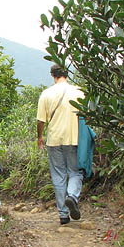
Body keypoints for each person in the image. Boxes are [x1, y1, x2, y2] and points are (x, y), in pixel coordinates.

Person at [36, 64, 84, 225]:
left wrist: (40, 137)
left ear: (53, 75)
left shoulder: (46, 94)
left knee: (58, 176)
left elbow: (40, 120)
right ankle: (72, 197)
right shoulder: (79, 92)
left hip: (54, 139)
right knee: (75, 172)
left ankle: (63, 214)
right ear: (67, 74)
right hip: (74, 138)